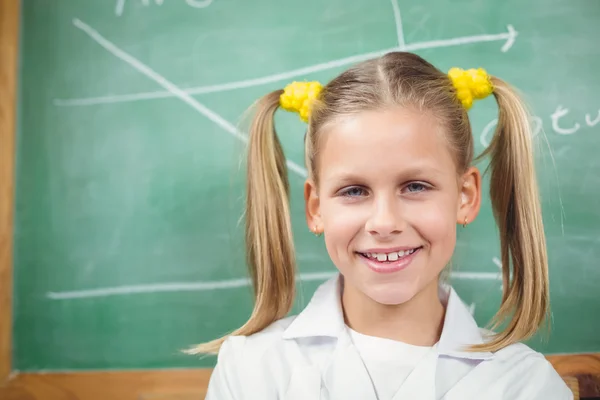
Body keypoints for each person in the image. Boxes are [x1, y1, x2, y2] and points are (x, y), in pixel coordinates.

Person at [197, 52, 572, 399]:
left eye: (415, 186)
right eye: (354, 190)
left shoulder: (527, 385)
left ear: (465, 196)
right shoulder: (252, 369)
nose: (385, 222)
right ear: (316, 208)